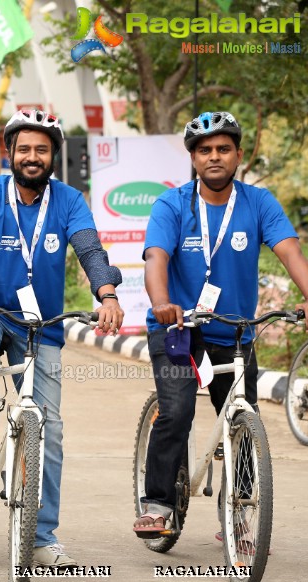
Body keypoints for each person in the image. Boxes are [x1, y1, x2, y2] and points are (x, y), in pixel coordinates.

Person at [0, 109, 124, 569]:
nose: (33, 157)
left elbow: (89, 250)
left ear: (53, 156)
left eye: (42, 149)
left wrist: (107, 294)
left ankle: (42, 535)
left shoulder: (69, 201)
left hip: (40, 323)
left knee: (51, 426)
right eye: (24, 149)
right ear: (10, 153)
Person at [135, 111, 308, 537]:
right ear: (193, 158)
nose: (215, 157)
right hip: (177, 331)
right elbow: (156, 258)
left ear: (238, 155)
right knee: (175, 412)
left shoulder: (259, 203)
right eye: (205, 150)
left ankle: (240, 513)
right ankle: (157, 503)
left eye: (223, 149)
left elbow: (290, 254)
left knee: (242, 421)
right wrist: (162, 303)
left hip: (234, 333)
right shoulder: (172, 205)